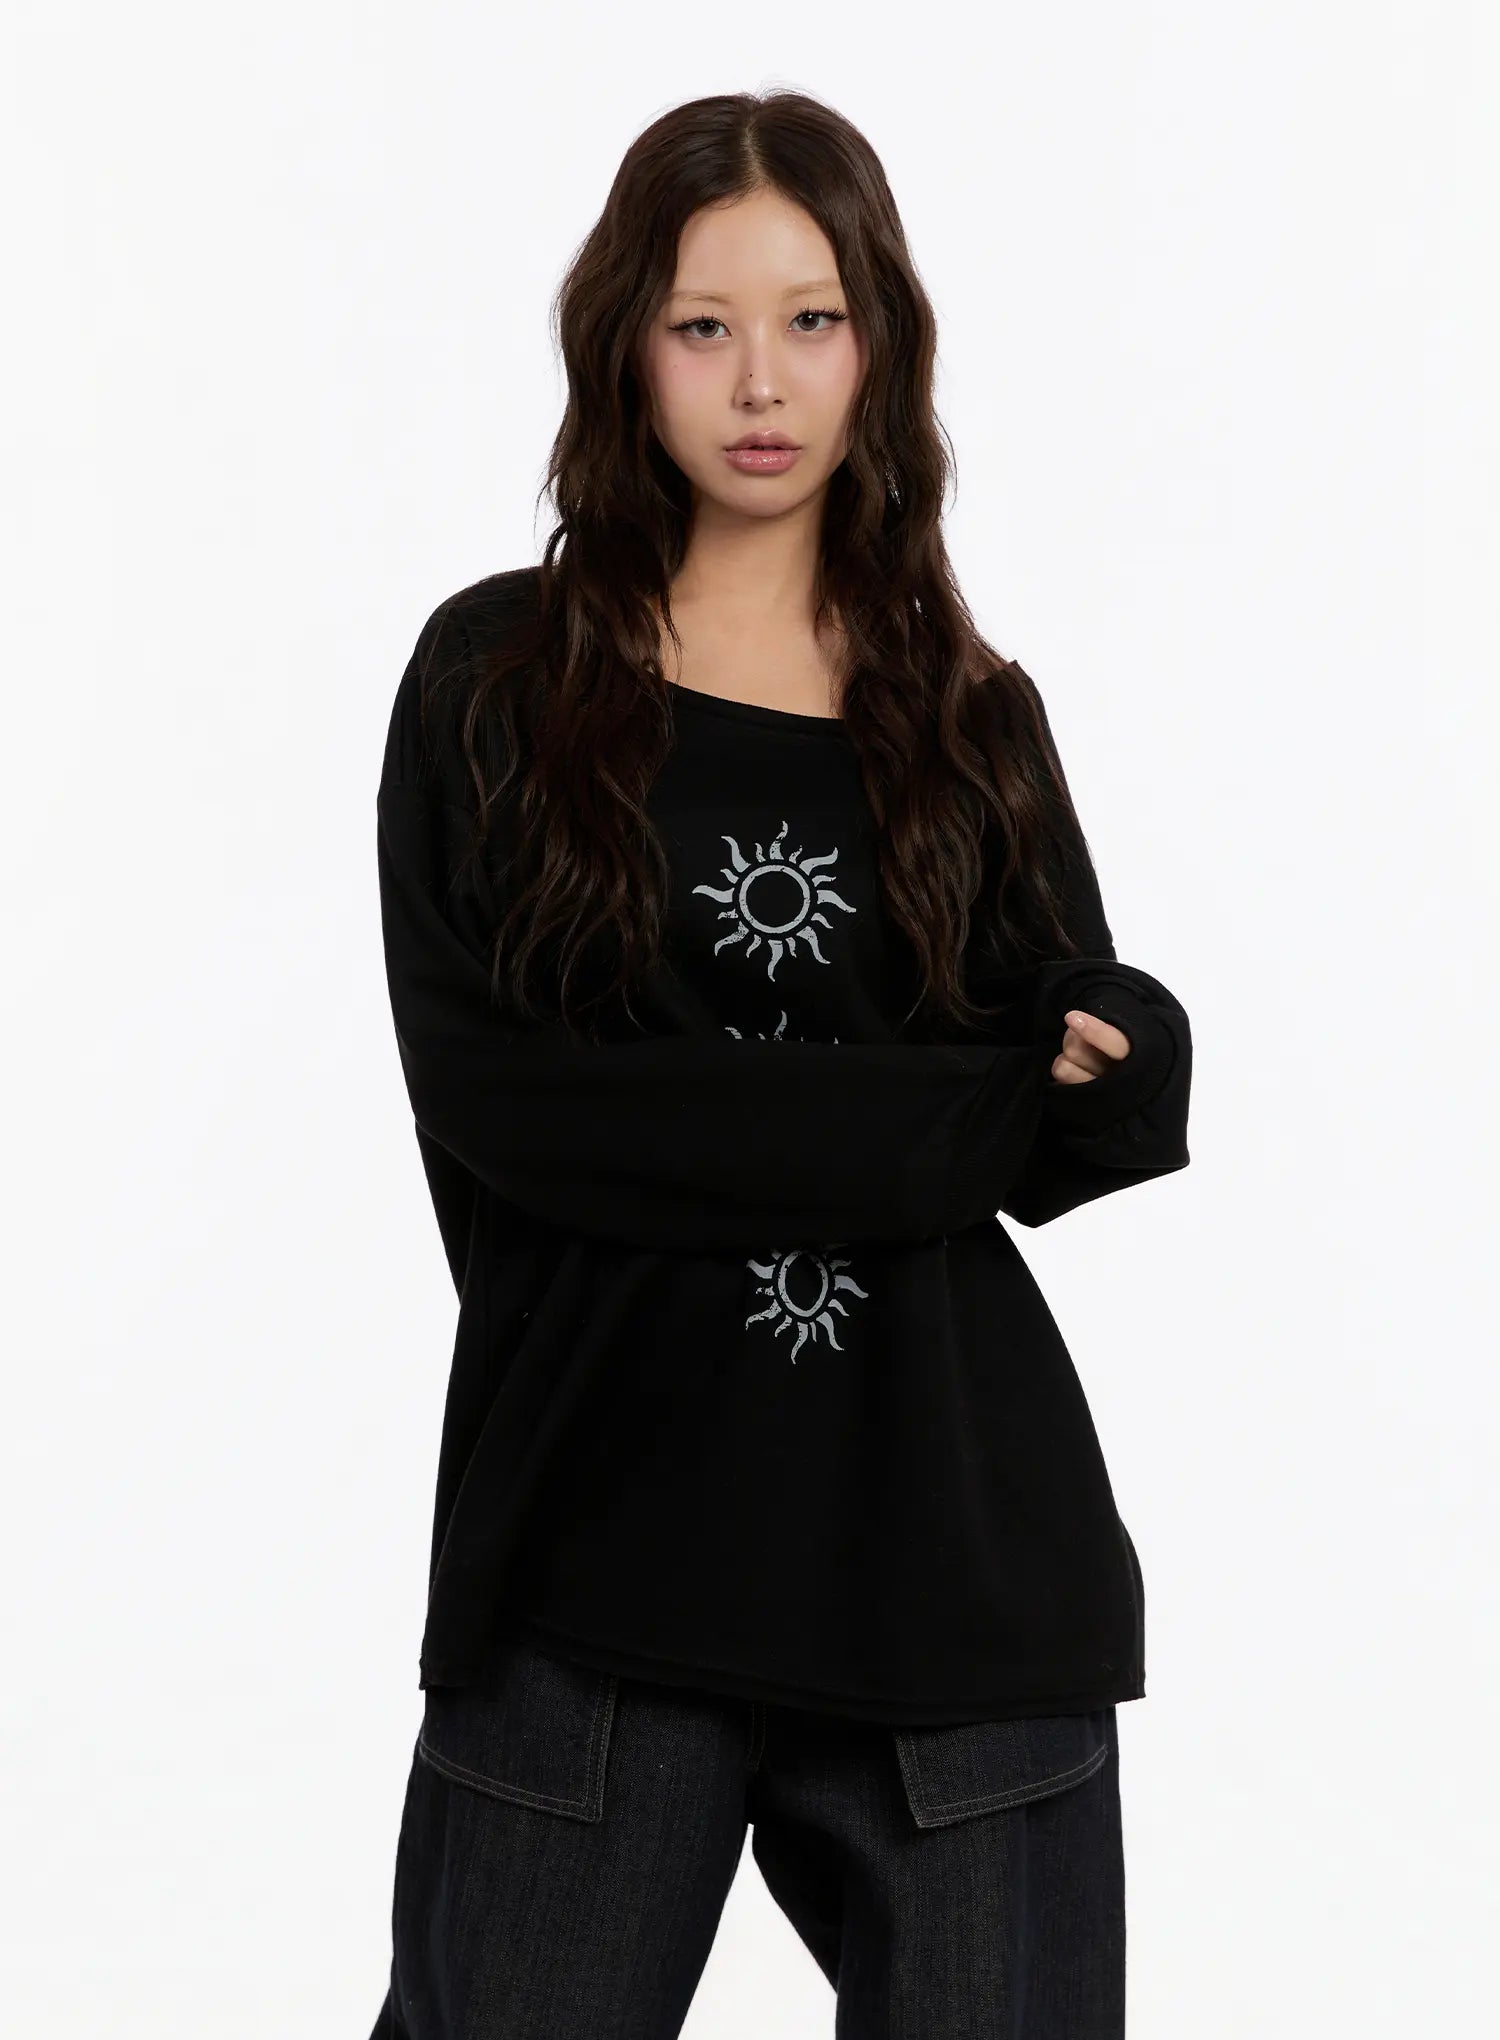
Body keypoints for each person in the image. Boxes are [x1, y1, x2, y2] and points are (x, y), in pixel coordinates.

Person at [367, 87, 1191, 2040]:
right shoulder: (498, 683)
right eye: (704, 324)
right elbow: (516, 1112)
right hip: (590, 1561)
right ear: (625, 347)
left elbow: (1080, 1098)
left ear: (878, 344)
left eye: (813, 320)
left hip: (957, 1578)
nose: (762, 382)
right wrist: (953, 1117)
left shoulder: (971, 720)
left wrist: (1126, 1042)